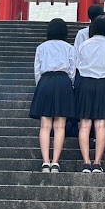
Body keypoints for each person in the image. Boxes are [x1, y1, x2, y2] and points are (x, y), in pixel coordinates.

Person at [29, 18, 76, 173]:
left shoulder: (41, 47)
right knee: (60, 125)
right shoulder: (69, 47)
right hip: (63, 82)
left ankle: (45, 162)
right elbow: (72, 70)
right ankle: (55, 162)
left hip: (45, 81)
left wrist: (41, 86)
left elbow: (37, 69)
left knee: (45, 125)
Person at [75, 15, 105, 173]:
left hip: (85, 83)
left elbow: (77, 66)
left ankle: (86, 162)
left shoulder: (83, 45)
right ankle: (97, 163)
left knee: (85, 125)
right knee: (101, 125)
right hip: (103, 83)